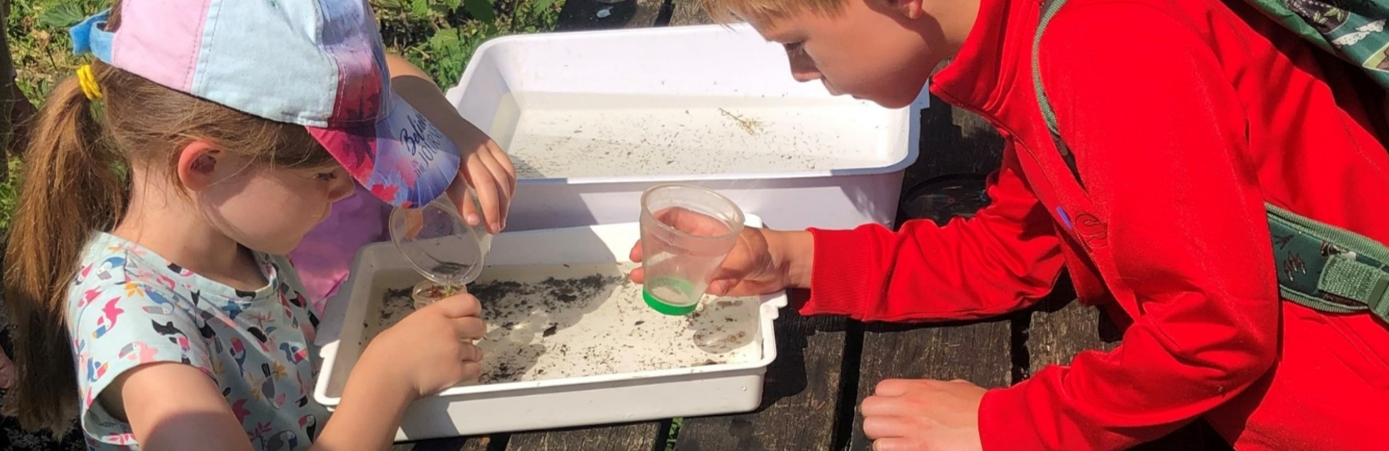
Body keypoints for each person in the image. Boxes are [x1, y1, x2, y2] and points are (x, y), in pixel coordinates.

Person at [628, 0, 1389, 449]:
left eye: (796, 43)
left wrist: (1010, 424)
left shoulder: (1109, 48)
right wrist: (792, 259)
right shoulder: (1031, 44)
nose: (798, 72)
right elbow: (1013, 251)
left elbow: (1214, 332)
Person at [2, 1, 494, 449]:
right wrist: (389, 378)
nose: (348, 191)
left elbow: (390, 68)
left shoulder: (230, 229)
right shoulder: (136, 329)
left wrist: (446, 126)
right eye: (325, 175)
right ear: (203, 165)